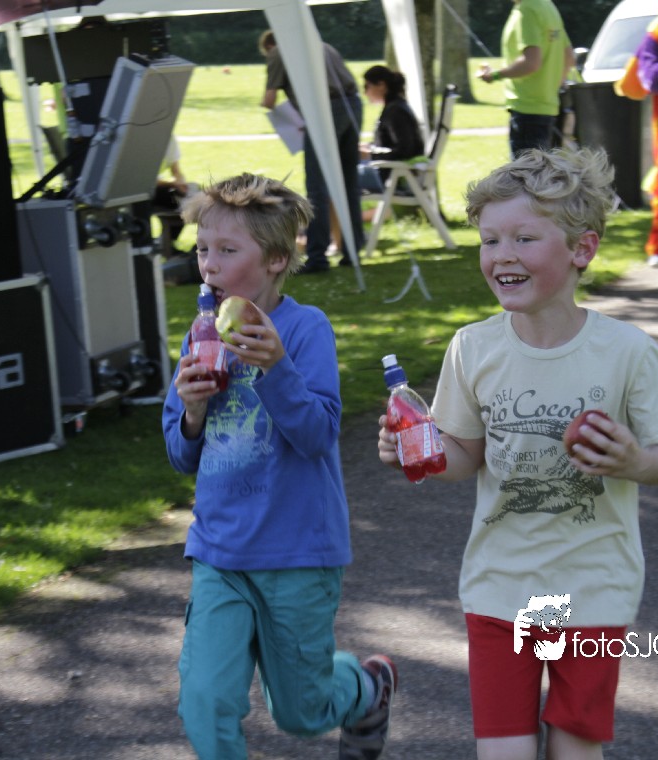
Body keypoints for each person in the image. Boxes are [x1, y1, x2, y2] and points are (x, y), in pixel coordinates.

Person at [377, 148, 658, 760]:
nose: (503, 255)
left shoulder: (628, 352)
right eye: (490, 240)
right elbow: (465, 456)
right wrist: (420, 453)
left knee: (574, 749)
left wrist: (634, 462)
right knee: (505, 753)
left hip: (594, 589)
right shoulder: (473, 348)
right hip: (499, 588)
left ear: (582, 249)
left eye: (524, 238)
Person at [164, 173, 398, 760]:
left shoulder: (303, 328)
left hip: (296, 553)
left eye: (227, 250)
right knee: (204, 701)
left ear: (274, 259)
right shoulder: (200, 333)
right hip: (219, 552)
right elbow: (180, 455)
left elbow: (317, 435)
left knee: (300, 711)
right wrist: (191, 411)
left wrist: (275, 367)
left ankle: (364, 689)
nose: (208, 265)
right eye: (202, 249)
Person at [259, 29, 365, 273]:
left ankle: (318, 256)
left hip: (324, 112)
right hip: (353, 105)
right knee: (348, 184)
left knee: (317, 187)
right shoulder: (323, 45)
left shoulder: (278, 52)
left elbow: (269, 99)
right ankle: (352, 252)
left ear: (269, 47)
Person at [477, 0, 574, 158]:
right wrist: (551, 88)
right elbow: (569, 57)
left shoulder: (527, 9)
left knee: (526, 172)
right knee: (543, 170)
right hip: (548, 107)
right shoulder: (547, 6)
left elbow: (531, 63)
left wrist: (494, 75)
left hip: (527, 109)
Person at [358, 64, 424, 195]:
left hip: (388, 176)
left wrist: (369, 155)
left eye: (367, 86)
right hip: (388, 173)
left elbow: (405, 151)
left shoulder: (395, 112)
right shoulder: (395, 107)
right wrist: (368, 147)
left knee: (337, 178)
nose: (365, 92)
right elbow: (389, 144)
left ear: (381, 85)